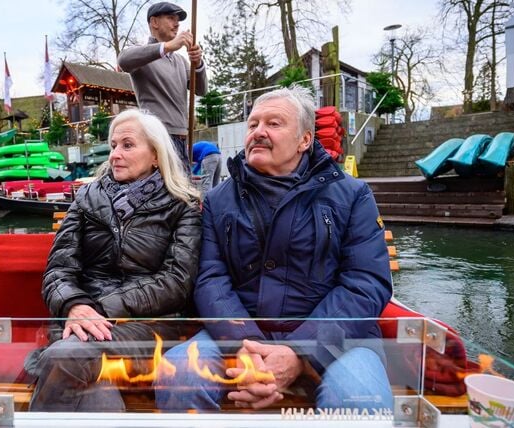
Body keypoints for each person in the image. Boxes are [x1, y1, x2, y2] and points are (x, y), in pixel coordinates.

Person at [154, 87, 395, 412]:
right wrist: (244, 348)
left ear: (304, 140)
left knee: (361, 398)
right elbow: (210, 279)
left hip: (338, 341)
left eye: (274, 123)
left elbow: (365, 282)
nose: (259, 132)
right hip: (238, 335)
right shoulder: (216, 200)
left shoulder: (352, 195)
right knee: (178, 375)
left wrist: (301, 351)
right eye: (253, 125)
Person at [29, 109, 202, 412]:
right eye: (112, 146)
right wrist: (75, 305)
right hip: (82, 323)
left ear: (156, 155)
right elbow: (59, 268)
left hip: (150, 326)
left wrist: (99, 308)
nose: (114, 155)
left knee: (66, 357)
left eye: (127, 145)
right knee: (94, 389)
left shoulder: (182, 205)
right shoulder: (86, 199)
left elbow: (176, 283)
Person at [118, 2, 207, 166]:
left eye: (178, 19)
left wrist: (198, 63)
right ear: (154, 22)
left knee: (182, 189)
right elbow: (123, 60)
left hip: (182, 137)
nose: (177, 23)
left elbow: (201, 90)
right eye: (171, 18)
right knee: (163, 190)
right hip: (158, 137)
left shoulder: (180, 61)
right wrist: (166, 46)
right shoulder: (144, 56)